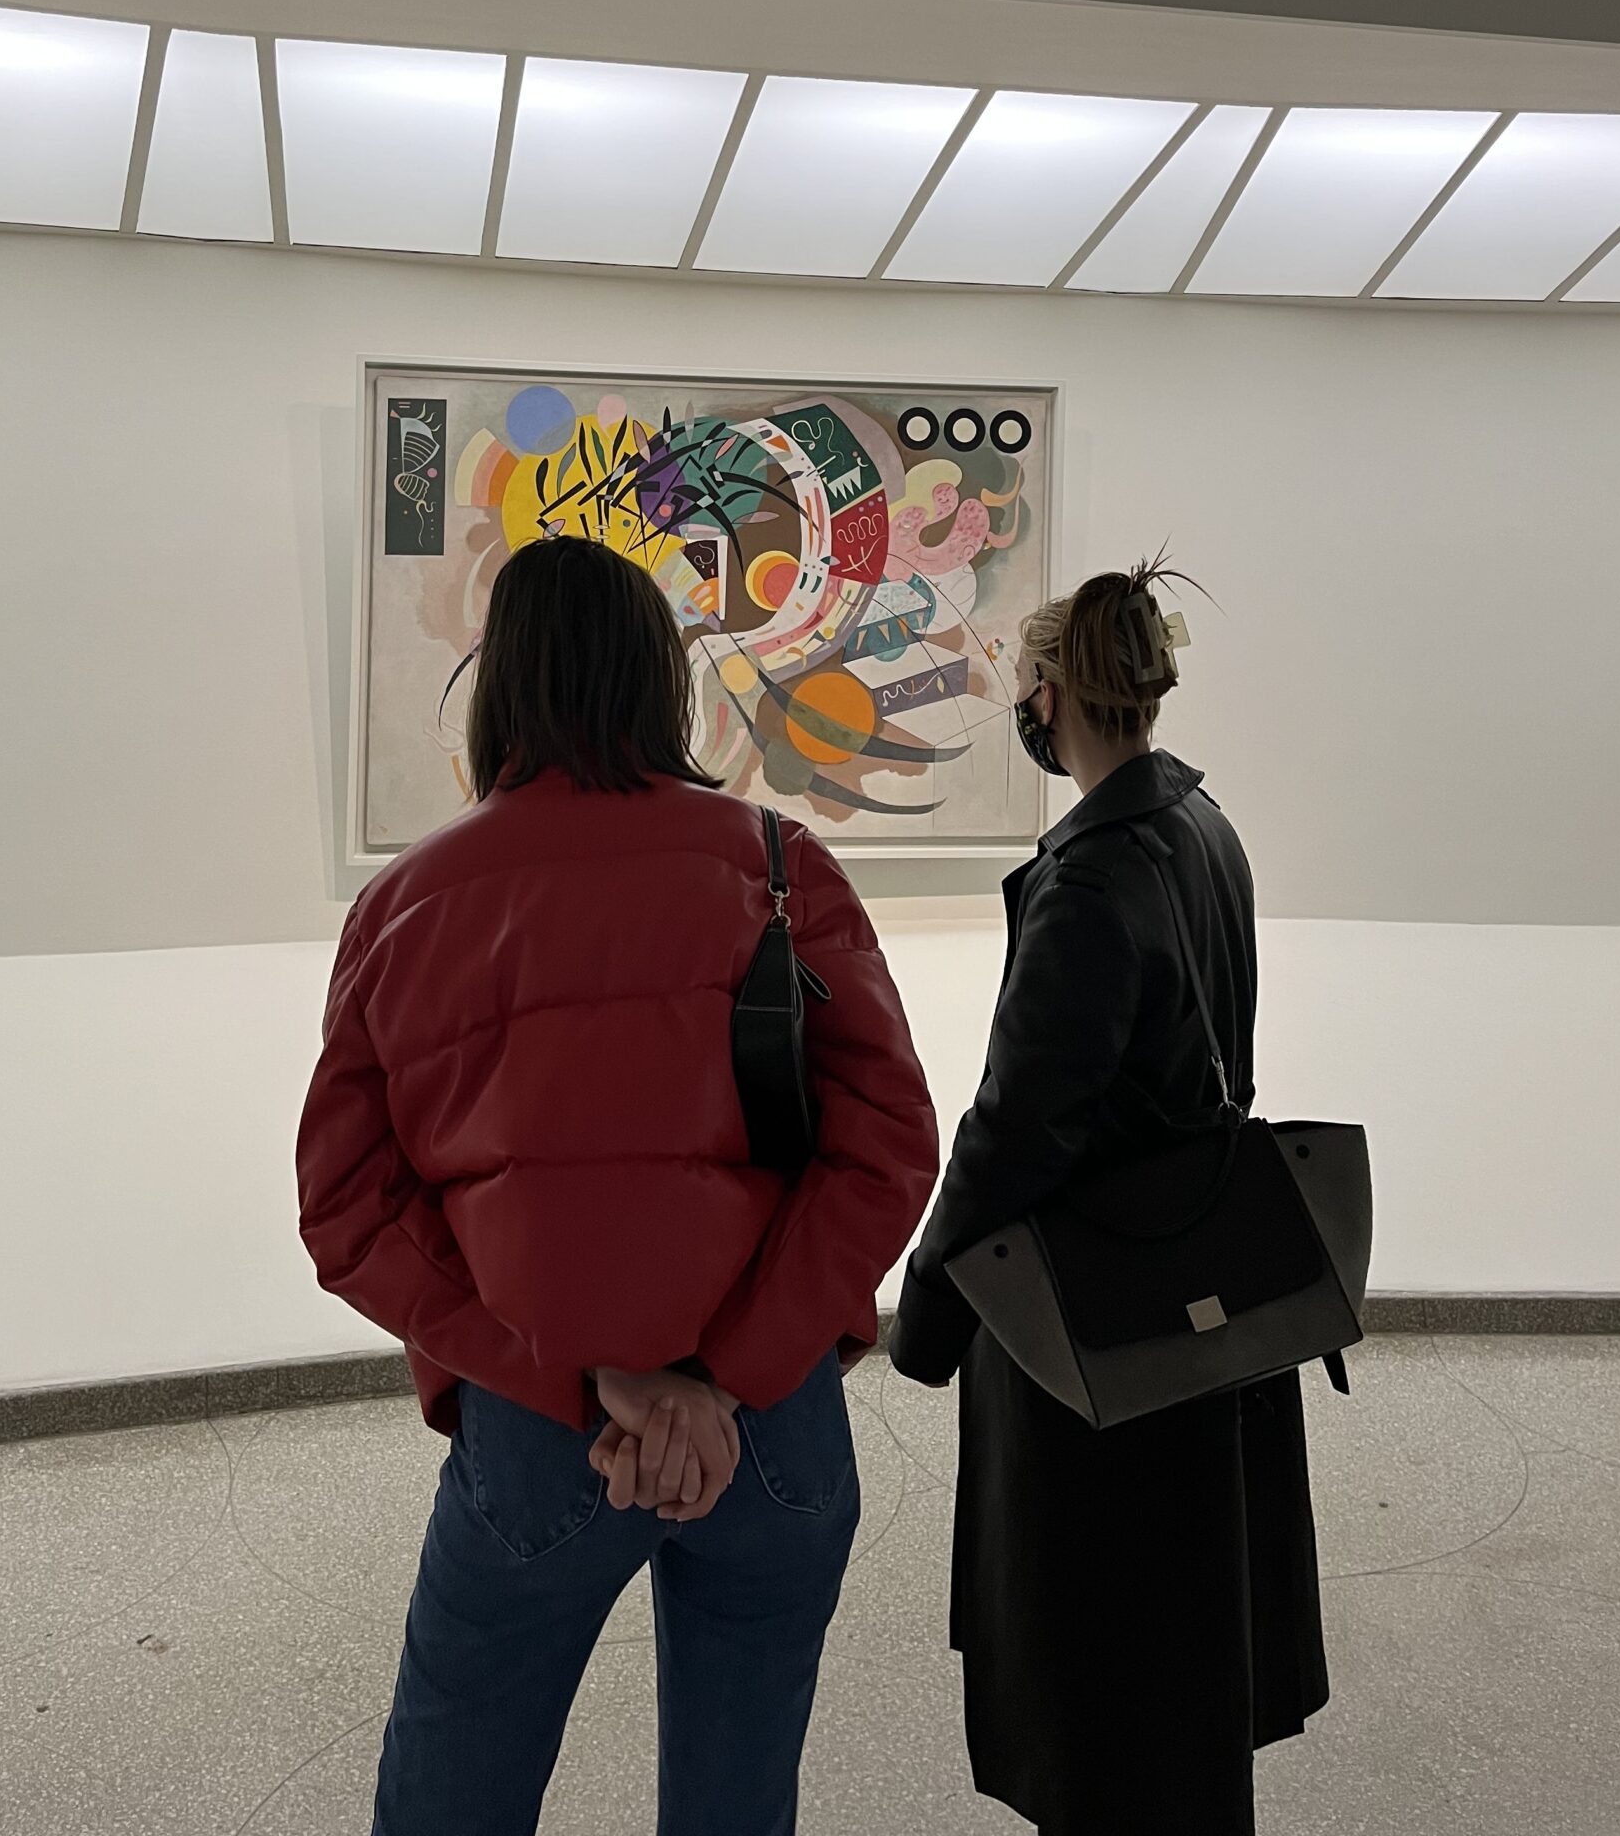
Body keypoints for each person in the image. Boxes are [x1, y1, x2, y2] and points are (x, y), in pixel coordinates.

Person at [297, 532, 939, 1836]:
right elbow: (888, 1146)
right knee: (736, 1803)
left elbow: (346, 1207)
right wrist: (727, 1378)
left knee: (451, 1799)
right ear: (663, 680)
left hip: (541, 1443)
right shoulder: (774, 866)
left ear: (498, 687)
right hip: (774, 1432)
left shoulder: (409, 906)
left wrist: (573, 1382)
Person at [890, 560, 1328, 1835]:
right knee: (1182, 1668)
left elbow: (1017, 1128)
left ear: (1049, 693)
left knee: (1104, 1681)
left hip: (1099, 1329)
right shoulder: (1204, 830)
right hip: (1198, 1297)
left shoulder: (1093, 878)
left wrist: (926, 1312)